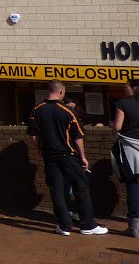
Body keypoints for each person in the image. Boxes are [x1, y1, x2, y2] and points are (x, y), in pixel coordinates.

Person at [27, 79, 107, 236]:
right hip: (68, 155)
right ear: (61, 92)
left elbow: (33, 136)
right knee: (81, 187)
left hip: (49, 156)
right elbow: (78, 136)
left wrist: (40, 150)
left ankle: (64, 226)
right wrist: (83, 156)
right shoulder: (68, 111)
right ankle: (87, 225)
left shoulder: (36, 110)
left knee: (56, 189)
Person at [112, 78, 139, 237]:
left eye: (126, 88)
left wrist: (111, 124)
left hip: (130, 148)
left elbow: (118, 127)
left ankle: (135, 228)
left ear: (134, 88)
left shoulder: (123, 103)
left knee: (133, 183)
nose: (124, 90)